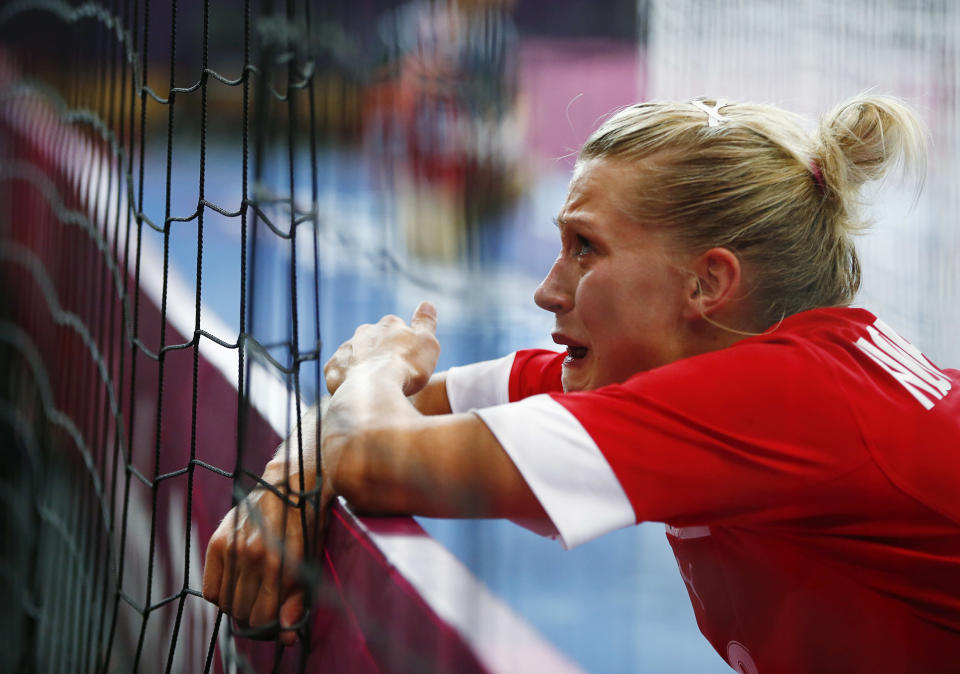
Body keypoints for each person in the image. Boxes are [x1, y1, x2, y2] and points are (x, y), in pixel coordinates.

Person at [203, 95, 960, 673]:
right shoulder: (705, 376)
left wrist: (372, 369)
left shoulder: (785, 398)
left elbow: (372, 446)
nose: (547, 289)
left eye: (584, 248)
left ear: (708, 282)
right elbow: (380, 421)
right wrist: (284, 483)